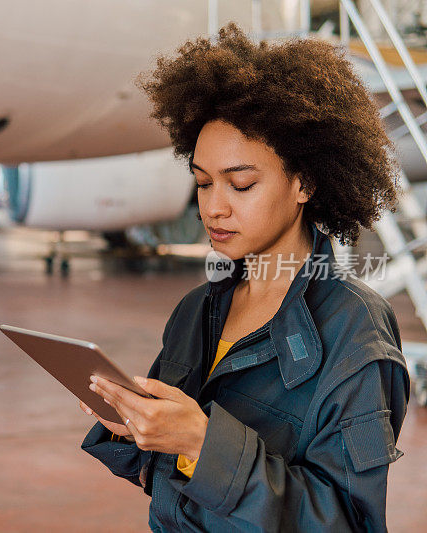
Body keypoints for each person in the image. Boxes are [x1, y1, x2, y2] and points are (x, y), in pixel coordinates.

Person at [79, 22, 409, 532]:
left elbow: (347, 521)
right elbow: (172, 483)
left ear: (305, 182)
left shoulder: (353, 328)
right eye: (203, 183)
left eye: (242, 183)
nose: (214, 207)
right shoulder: (196, 311)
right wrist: (135, 428)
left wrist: (200, 443)